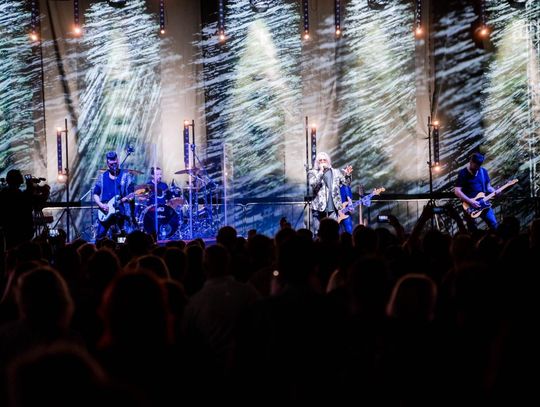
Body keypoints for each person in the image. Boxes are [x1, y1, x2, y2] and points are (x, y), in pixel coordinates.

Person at [308, 152, 353, 235]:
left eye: (324, 160)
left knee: (333, 231)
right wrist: (321, 172)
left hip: (333, 206)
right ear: (317, 162)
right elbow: (313, 184)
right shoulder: (312, 172)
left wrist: (347, 175)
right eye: (320, 160)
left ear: (328, 161)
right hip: (318, 207)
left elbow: (346, 183)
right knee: (318, 232)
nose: (322, 162)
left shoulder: (336, 172)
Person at [93, 151, 135, 240]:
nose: (114, 166)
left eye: (115, 163)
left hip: (121, 212)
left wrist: (128, 199)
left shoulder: (125, 176)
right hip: (105, 212)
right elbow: (95, 194)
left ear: (118, 161)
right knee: (100, 237)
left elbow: (131, 194)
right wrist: (101, 205)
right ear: (107, 164)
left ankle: (120, 247)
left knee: (122, 239)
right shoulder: (102, 177)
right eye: (111, 164)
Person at [454, 152, 498, 231]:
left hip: (484, 203)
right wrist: (470, 201)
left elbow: (488, 187)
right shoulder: (463, 173)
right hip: (470, 206)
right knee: (472, 230)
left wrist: (495, 191)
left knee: (494, 225)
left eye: (478, 166)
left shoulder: (483, 172)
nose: (476, 168)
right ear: (471, 161)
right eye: (475, 166)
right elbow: (457, 191)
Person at [0, 170, 37, 249]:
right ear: (20, 180)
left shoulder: (3, 194)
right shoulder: (21, 195)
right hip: (23, 231)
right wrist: (30, 185)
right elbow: (28, 204)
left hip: (8, 230)